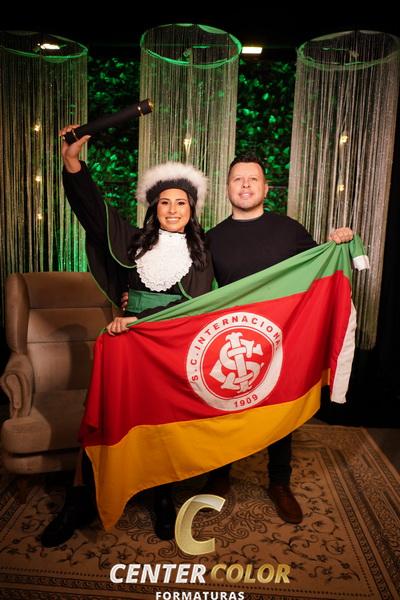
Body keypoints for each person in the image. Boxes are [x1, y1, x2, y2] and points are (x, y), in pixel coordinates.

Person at [40, 126, 213, 547]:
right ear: (154, 207)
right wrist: (72, 162)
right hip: (125, 344)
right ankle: (78, 500)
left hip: (169, 350)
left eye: (181, 203)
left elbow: (198, 309)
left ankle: (162, 497)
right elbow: (93, 210)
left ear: (192, 209)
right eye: (165, 202)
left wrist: (140, 318)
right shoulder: (132, 241)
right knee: (101, 420)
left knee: (161, 426)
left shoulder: (202, 254)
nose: (172, 209)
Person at [203, 152, 353, 525]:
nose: (245, 185)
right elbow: (195, 291)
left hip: (280, 340)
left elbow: (320, 268)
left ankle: (279, 482)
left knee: (280, 411)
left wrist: (338, 242)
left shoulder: (289, 230)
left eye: (253, 179)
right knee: (224, 408)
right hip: (232, 340)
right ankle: (220, 473)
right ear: (227, 188)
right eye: (238, 179)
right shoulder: (211, 239)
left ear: (266, 188)